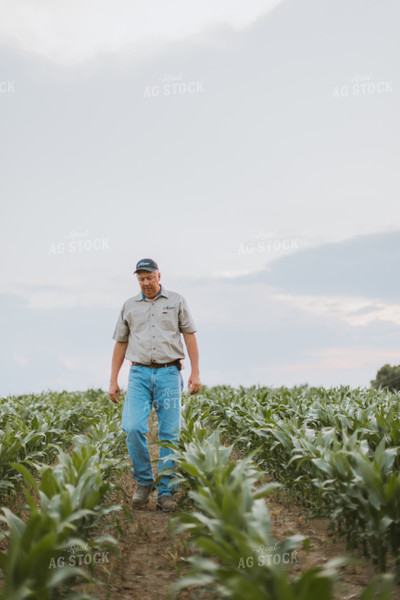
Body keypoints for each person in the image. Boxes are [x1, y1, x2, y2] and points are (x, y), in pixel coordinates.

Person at [108, 258, 201, 512]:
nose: (146, 282)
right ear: (137, 280)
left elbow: (189, 336)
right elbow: (120, 343)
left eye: (149, 277)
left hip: (169, 373)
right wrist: (113, 379)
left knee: (169, 434)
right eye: (141, 279)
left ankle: (166, 493)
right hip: (138, 375)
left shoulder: (176, 301)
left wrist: (195, 373)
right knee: (133, 427)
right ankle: (144, 481)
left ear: (159, 276)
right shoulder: (129, 306)